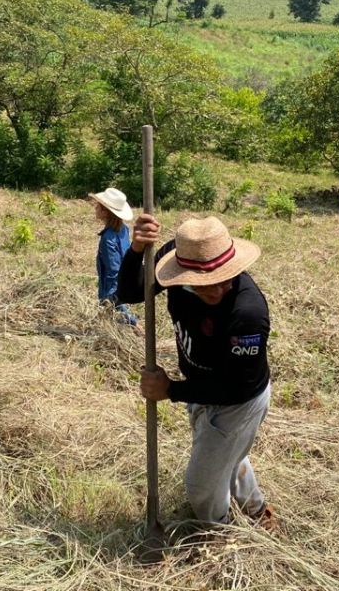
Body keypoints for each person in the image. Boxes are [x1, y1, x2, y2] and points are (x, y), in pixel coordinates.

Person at [116, 214, 275, 529]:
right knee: (227, 457)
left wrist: (171, 390)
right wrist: (136, 250)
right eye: (205, 284)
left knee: (201, 486)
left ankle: (220, 534)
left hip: (238, 401)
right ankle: (257, 511)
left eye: (224, 279)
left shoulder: (247, 313)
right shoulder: (175, 260)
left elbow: (236, 387)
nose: (216, 290)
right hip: (201, 385)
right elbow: (132, 293)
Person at [88, 187, 139, 327]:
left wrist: (110, 298)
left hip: (113, 286)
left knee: (121, 319)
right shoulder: (124, 229)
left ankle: (135, 326)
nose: (95, 208)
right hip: (126, 278)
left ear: (105, 212)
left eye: (98, 206)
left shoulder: (107, 239)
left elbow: (113, 270)